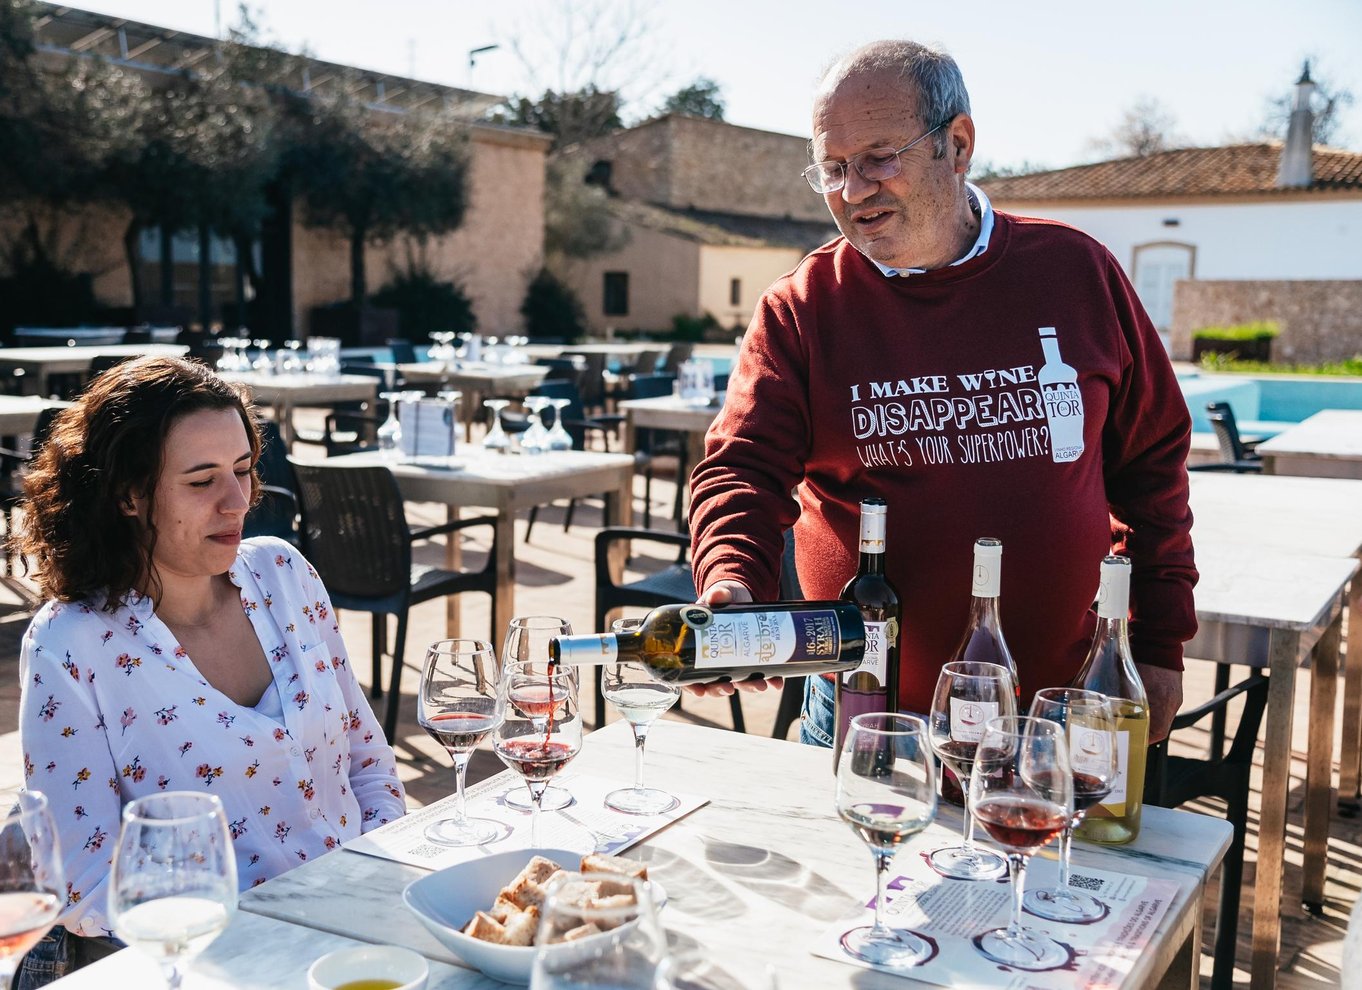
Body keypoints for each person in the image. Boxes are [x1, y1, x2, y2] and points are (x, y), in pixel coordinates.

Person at [688, 40, 1196, 747]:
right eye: (832, 168)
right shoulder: (804, 307)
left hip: (1059, 709)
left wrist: (1162, 639)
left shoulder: (1076, 273)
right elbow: (741, 469)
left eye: (877, 158)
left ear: (957, 146)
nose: (853, 189)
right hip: (867, 714)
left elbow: (1152, 464)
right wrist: (732, 579)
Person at [12, 356, 406, 985]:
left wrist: (377, 891)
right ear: (129, 495)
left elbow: (368, 761)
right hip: (208, 966)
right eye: (202, 481)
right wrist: (263, 945)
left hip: (355, 941)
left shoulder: (285, 572)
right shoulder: (72, 645)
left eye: (245, 470)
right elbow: (82, 882)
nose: (239, 501)